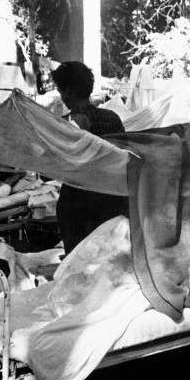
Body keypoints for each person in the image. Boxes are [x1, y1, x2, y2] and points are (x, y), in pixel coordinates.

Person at [52, 61, 129, 254]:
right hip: (112, 203)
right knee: (108, 264)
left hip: (78, 207)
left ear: (68, 91)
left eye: (61, 91)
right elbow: (124, 159)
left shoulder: (68, 125)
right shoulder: (112, 118)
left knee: (79, 264)